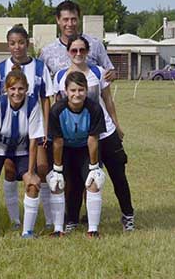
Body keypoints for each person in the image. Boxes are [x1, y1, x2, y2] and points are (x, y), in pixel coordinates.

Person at [53, 35, 135, 232]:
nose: (78, 54)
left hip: (105, 133)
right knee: (77, 179)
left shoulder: (98, 72)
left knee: (118, 176)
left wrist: (117, 124)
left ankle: (128, 215)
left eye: (82, 50)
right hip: (81, 137)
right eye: (74, 50)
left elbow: (107, 100)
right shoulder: (60, 76)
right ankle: (72, 219)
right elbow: (57, 105)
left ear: (88, 52)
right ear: (68, 52)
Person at [0, 24, 55, 230]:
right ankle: (15, 220)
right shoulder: (1, 69)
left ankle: (49, 219)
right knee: (10, 172)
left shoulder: (39, 67)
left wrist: (45, 128)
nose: (17, 47)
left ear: (27, 44)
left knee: (42, 169)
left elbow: (46, 98)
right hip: (10, 132)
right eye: (12, 43)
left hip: (34, 129)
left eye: (21, 42)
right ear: (8, 45)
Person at [0, 67, 45, 240]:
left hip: (22, 150)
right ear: (6, 89)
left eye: (20, 88)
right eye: (12, 89)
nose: (16, 93)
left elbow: (33, 141)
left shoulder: (33, 105)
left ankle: (27, 232)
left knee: (33, 184)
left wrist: (31, 173)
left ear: (27, 89)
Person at [47, 71, 107, 238]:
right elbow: (57, 141)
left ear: (86, 90)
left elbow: (93, 139)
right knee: (57, 183)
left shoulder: (94, 109)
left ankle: (93, 230)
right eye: (73, 90)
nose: (77, 94)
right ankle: (59, 229)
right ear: (66, 91)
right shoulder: (57, 110)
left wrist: (94, 166)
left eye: (81, 90)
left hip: (84, 150)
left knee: (95, 181)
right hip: (64, 149)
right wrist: (57, 169)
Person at [39, 0, 116, 81]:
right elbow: (41, 80)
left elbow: (110, 71)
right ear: (58, 20)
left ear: (79, 19)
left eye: (73, 19)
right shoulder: (47, 52)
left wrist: (111, 74)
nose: (70, 24)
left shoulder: (95, 45)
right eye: (65, 19)